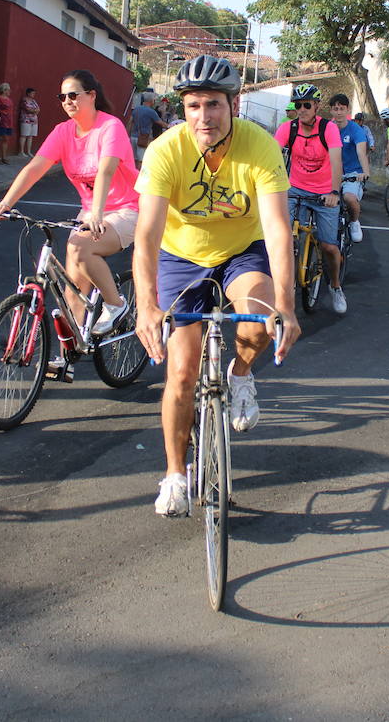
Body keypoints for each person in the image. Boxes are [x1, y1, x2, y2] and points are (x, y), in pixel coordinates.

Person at [133, 55, 301, 516]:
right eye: (193, 106)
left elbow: (277, 229)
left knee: (258, 323)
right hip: (180, 257)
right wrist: (146, 306)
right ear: (182, 109)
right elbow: (146, 235)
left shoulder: (259, 145)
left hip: (241, 252)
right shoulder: (166, 150)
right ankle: (175, 475)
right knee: (181, 373)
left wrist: (286, 306)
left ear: (234, 105)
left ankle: (240, 375)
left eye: (213, 104)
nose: (203, 116)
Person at [0, 69, 140, 365]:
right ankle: (67, 358)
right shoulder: (63, 132)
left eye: (74, 95)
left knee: (79, 247)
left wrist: (96, 213)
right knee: (72, 288)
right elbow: (35, 168)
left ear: (92, 95)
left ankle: (116, 304)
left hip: (126, 208)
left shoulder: (110, 127)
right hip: (91, 212)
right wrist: (6, 202)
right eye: (63, 97)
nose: (68, 101)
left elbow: (106, 171)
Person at [274, 83, 347, 314]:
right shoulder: (288, 128)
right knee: (283, 238)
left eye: (307, 105)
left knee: (328, 247)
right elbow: (272, 156)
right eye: (298, 105)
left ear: (316, 106)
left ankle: (335, 286)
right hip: (295, 189)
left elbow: (336, 161)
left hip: (325, 193)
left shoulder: (328, 129)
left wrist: (334, 192)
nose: (302, 109)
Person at [329, 94, 371, 243]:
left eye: (342, 109)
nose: (339, 112)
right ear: (331, 111)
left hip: (352, 173)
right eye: (336, 109)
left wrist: (365, 172)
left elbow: (361, 152)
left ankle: (354, 221)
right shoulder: (327, 128)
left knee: (349, 198)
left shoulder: (356, 130)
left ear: (348, 110)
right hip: (332, 172)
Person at [130, 93, 165, 163]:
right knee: (141, 160)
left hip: (133, 136)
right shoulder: (151, 112)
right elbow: (161, 123)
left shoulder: (136, 109)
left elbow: (130, 122)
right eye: (154, 100)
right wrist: (170, 126)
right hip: (143, 138)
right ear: (151, 101)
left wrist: (127, 134)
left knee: (133, 159)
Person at [0, 83, 14, 164]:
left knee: (6, 139)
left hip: (9, 121)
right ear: (4, 90)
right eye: (8, 90)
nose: (9, 91)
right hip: (2, 121)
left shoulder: (9, 100)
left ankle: (4, 157)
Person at [19, 87, 40, 157]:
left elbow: (38, 109)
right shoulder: (24, 100)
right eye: (32, 93)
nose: (33, 94)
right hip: (26, 120)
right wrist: (34, 110)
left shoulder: (33, 101)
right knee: (24, 135)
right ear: (28, 93)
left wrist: (33, 110)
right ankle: (21, 151)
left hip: (34, 121)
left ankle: (28, 151)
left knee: (30, 136)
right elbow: (27, 109)